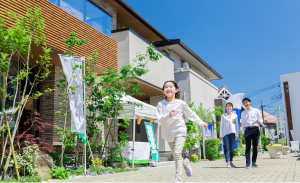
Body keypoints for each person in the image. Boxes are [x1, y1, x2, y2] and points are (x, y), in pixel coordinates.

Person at [156, 80, 208, 183]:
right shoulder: (160, 104)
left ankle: (178, 178)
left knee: (176, 152)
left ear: (176, 90)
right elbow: (159, 119)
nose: (168, 89)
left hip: (180, 131)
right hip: (168, 133)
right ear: (163, 91)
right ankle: (185, 163)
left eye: (170, 86)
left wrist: (201, 122)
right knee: (176, 156)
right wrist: (168, 115)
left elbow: (190, 114)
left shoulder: (181, 103)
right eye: (166, 87)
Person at [241, 98, 263, 168]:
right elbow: (243, 124)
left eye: (246, 102)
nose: (245, 104)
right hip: (247, 130)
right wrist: (243, 132)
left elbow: (260, 119)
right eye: (244, 103)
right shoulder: (243, 112)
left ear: (250, 102)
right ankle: (247, 163)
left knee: (255, 147)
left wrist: (260, 122)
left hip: (255, 129)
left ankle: (253, 163)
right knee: (247, 147)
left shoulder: (256, 110)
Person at [220, 102, 239, 168]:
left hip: (233, 133)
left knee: (232, 149)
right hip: (225, 134)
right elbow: (221, 126)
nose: (229, 107)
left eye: (230, 106)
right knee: (227, 148)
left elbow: (236, 126)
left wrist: (237, 134)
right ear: (226, 108)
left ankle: (231, 162)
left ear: (232, 108)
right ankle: (227, 162)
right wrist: (221, 135)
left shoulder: (235, 116)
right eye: (227, 106)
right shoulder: (223, 116)